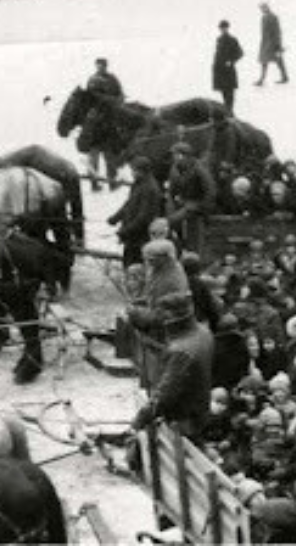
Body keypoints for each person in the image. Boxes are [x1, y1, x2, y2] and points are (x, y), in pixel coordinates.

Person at [132, 293, 214, 439]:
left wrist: (138, 421)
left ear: (170, 315)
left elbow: (164, 395)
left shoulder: (180, 351)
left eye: (159, 312)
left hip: (184, 422)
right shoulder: (203, 332)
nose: (156, 316)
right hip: (201, 411)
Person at [108, 156, 163, 266]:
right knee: (128, 264)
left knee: (135, 266)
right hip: (132, 235)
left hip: (142, 236)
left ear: (142, 171)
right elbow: (128, 204)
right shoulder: (138, 183)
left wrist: (126, 230)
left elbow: (144, 217)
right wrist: (115, 217)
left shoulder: (150, 188)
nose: (132, 173)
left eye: (133, 170)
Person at [167, 142, 216, 256]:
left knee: (173, 221)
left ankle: (187, 251)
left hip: (196, 203)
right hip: (182, 202)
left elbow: (210, 190)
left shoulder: (199, 169)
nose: (174, 158)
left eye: (176, 155)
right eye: (174, 155)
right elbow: (171, 190)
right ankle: (179, 248)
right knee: (169, 221)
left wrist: (203, 208)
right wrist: (171, 203)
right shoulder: (175, 169)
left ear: (184, 156)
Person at [83, 58, 124, 190]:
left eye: (101, 65)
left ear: (105, 66)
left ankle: (107, 183)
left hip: (101, 123)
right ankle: (101, 183)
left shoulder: (109, 79)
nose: (100, 67)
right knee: (101, 155)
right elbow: (118, 98)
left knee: (106, 155)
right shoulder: (98, 80)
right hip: (101, 124)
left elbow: (120, 96)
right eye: (98, 65)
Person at [212, 20, 244, 112]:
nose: (223, 30)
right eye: (221, 28)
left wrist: (231, 61)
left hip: (229, 70)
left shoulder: (233, 39)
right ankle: (227, 110)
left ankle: (230, 110)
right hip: (219, 69)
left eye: (225, 28)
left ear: (227, 28)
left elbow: (240, 53)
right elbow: (218, 53)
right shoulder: (219, 39)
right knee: (223, 91)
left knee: (229, 91)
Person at [256, 2, 288, 85]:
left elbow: (277, 31)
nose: (262, 10)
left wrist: (278, 44)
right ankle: (262, 79)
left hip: (273, 43)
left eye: (264, 8)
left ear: (267, 7)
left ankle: (284, 77)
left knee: (278, 61)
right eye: (261, 8)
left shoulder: (273, 17)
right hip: (265, 43)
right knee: (264, 61)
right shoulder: (263, 17)